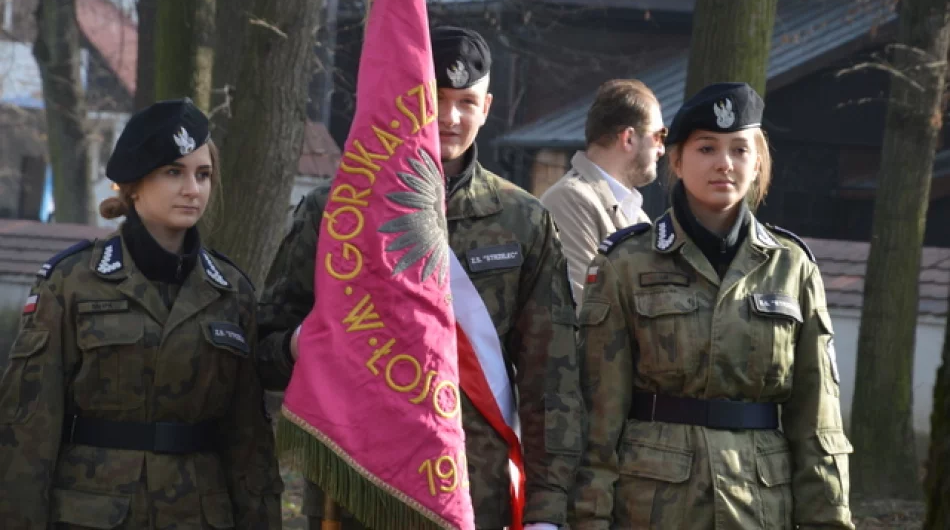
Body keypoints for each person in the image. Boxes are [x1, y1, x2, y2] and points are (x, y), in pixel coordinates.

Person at [259, 26, 582, 530]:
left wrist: (547, 512)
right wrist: (308, 341)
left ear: (488, 106)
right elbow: (265, 349)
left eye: (466, 102)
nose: (450, 118)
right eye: (436, 100)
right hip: (359, 493)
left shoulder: (523, 220)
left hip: (475, 497)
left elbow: (552, 382)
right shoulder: (339, 211)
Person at [571, 82, 854, 529]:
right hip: (652, 506)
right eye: (706, 148)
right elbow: (597, 417)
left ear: (757, 161)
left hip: (759, 506)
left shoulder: (791, 267)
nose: (724, 163)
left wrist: (829, 520)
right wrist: (588, 519)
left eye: (740, 150)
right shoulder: (625, 263)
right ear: (677, 160)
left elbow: (817, 419)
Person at [0, 99, 282, 529]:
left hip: (199, 514)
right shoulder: (73, 281)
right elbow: (28, 428)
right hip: (92, 513)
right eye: (174, 172)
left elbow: (248, 441)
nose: (193, 189)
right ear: (134, 186)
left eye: (203, 174)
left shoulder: (231, 291)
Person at [540, 79, 666, 304]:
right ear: (628, 138)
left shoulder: (635, 213)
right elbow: (583, 310)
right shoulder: (570, 200)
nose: (662, 149)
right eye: (658, 136)